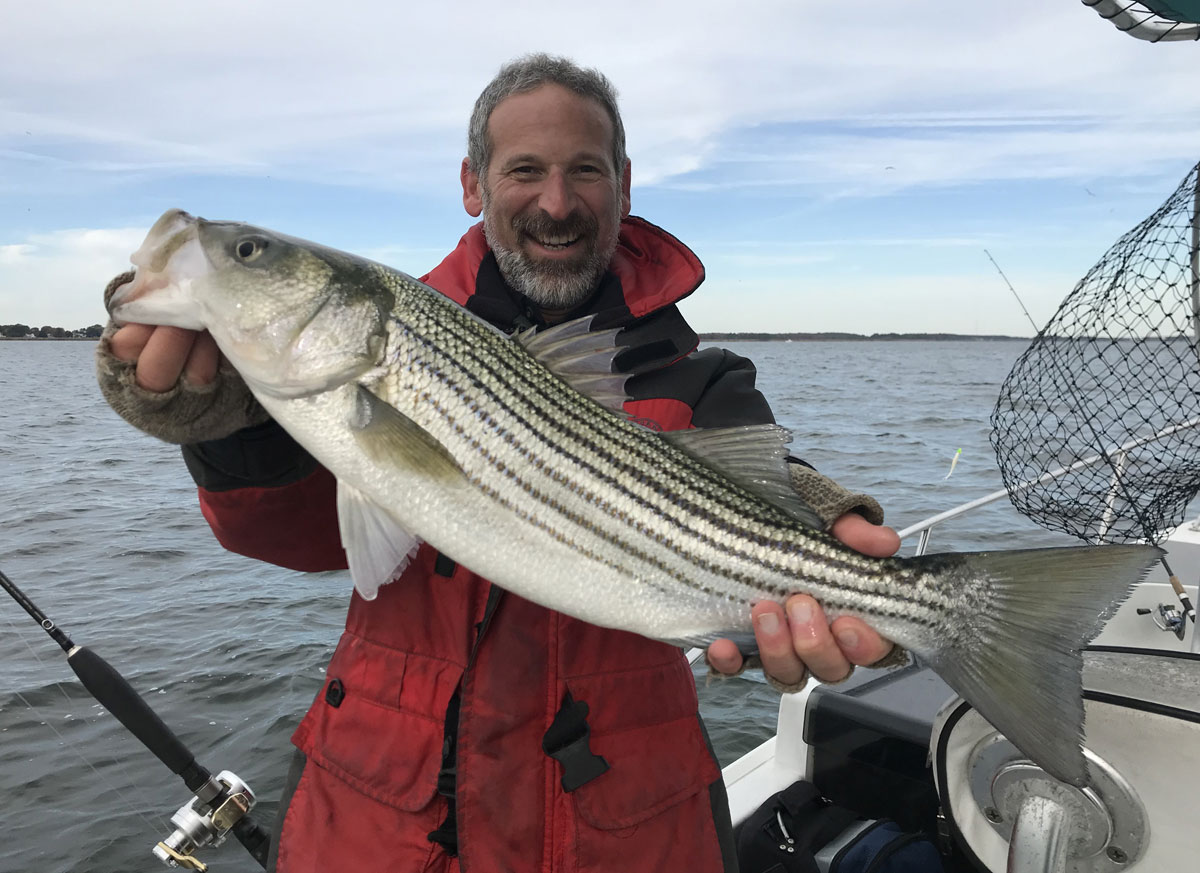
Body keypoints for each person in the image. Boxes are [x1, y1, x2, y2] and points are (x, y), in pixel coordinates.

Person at [97, 54, 901, 873]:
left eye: (584, 170)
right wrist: (232, 425)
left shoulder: (703, 375)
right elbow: (305, 538)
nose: (556, 202)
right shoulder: (391, 339)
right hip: (378, 818)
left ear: (623, 182)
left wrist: (815, 515)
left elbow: (750, 476)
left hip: (627, 825)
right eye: (524, 170)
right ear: (473, 184)